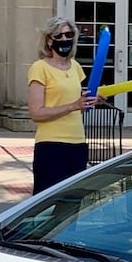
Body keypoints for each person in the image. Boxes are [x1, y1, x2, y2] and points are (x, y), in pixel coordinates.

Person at [26, 17, 95, 194]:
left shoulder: (75, 67)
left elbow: (77, 101)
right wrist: (73, 105)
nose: (64, 39)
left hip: (78, 143)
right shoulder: (39, 68)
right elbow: (36, 113)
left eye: (69, 34)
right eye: (58, 35)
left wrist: (90, 100)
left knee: (73, 204)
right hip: (51, 145)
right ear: (49, 40)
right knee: (47, 202)